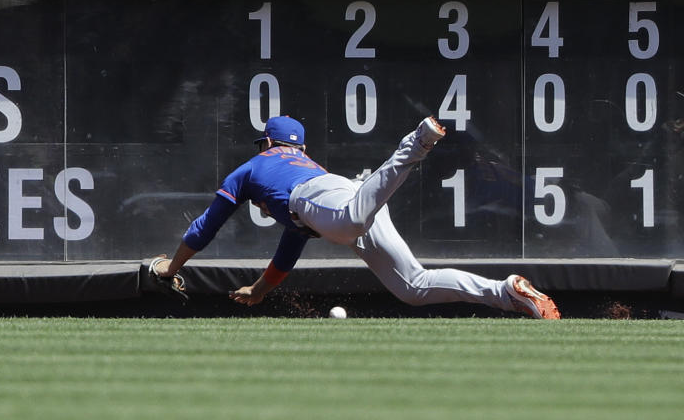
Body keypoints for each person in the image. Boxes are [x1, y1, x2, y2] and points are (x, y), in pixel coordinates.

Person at [151, 115, 561, 319]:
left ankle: (415, 142)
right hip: (340, 200)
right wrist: (259, 290)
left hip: (334, 204)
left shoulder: (252, 168)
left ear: (268, 142)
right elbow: (287, 253)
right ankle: (506, 291)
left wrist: (173, 266)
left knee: (351, 219)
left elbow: (206, 226)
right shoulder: (301, 170)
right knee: (413, 287)